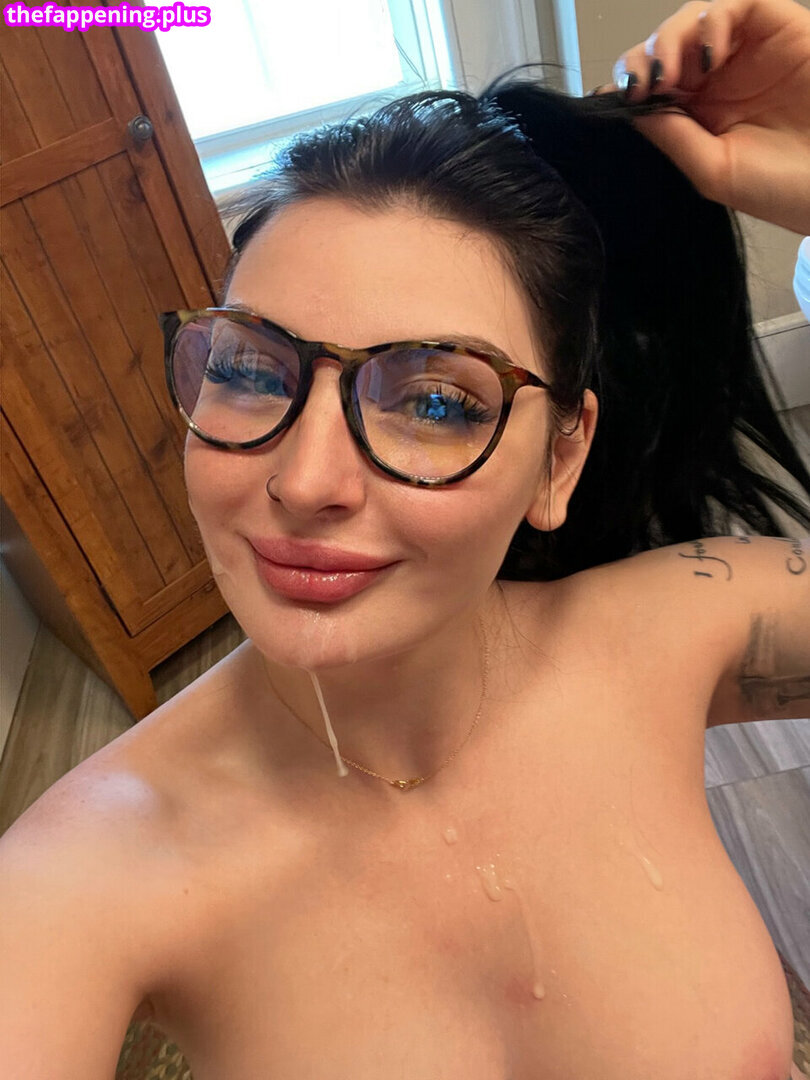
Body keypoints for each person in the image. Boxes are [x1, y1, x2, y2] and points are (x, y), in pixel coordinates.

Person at [2, 1, 809, 1077]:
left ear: (560, 459)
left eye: (434, 402)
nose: (304, 482)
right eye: (250, 371)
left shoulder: (678, 634)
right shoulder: (81, 877)